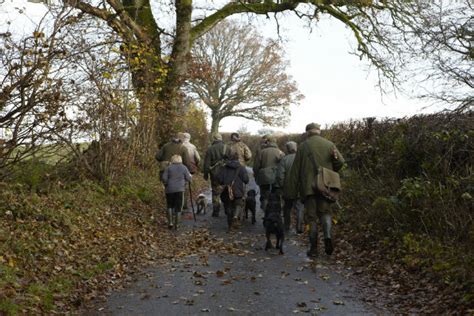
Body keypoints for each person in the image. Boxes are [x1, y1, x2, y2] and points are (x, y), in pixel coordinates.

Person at [288, 123, 345, 257]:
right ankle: (328, 237)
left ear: (307, 133)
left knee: (311, 218)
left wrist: (290, 192)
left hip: (309, 189)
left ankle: (313, 248)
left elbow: (295, 171)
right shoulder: (330, 144)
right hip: (326, 186)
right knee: (325, 213)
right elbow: (340, 162)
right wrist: (330, 171)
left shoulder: (302, 146)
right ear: (319, 131)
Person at [276, 141, 304, 234]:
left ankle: (287, 226)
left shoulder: (284, 160)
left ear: (287, 149)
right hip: (300, 187)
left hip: (288, 188)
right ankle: (299, 226)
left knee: (287, 208)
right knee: (299, 207)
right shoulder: (302, 158)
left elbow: (280, 175)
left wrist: (282, 186)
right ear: (296, 148)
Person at [216, 152, 249, 231]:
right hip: (238, 190)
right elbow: (246, 180)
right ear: (237, 159)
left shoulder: (224, 168)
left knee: (228, 206)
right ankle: (236, 216)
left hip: (226, 190)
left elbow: (219, 179)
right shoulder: (241, 167)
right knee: (238, 203)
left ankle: (230, 225)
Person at [253, 135, 284, 213]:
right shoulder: (280, 152)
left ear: (268, 142)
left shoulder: (262, 152)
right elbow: (283, 166)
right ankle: (276, 212)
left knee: (264, 196)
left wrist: (256, 176)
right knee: (276, 196)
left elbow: (256, 166)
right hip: (276, 177)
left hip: (264, 176)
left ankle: (266, 212)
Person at [161, 155, 192, 229]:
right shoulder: (184, 167)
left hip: (169, 189)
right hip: (180, 190)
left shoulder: (168, 168)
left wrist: (166, 183)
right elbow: (188, 178)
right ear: (180, 160)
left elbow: (164, 178)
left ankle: (170, 222)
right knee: (178, 207)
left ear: (172, 160)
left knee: (169, 205)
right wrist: (189, 178)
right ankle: (177, 224)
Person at [203, 133, 227, 217]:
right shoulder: (226, 147)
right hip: (226, 173)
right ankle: (227, 210)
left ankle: (216, 211)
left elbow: (206, 163)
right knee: (226, 190)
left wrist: (206, 174)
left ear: (214, 139)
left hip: (214, 173)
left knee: (215, 192)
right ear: (221, 138)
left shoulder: (210, 149)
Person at [182, 132, 201, 210]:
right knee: (186, 186)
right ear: (189, 138)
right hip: (190, 168)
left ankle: (181, 203)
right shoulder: (193, 147)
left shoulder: (180, 146)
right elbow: (198, 158)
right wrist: (197, 164)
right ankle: (185, 204)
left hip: (180, 167)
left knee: (180, 184)